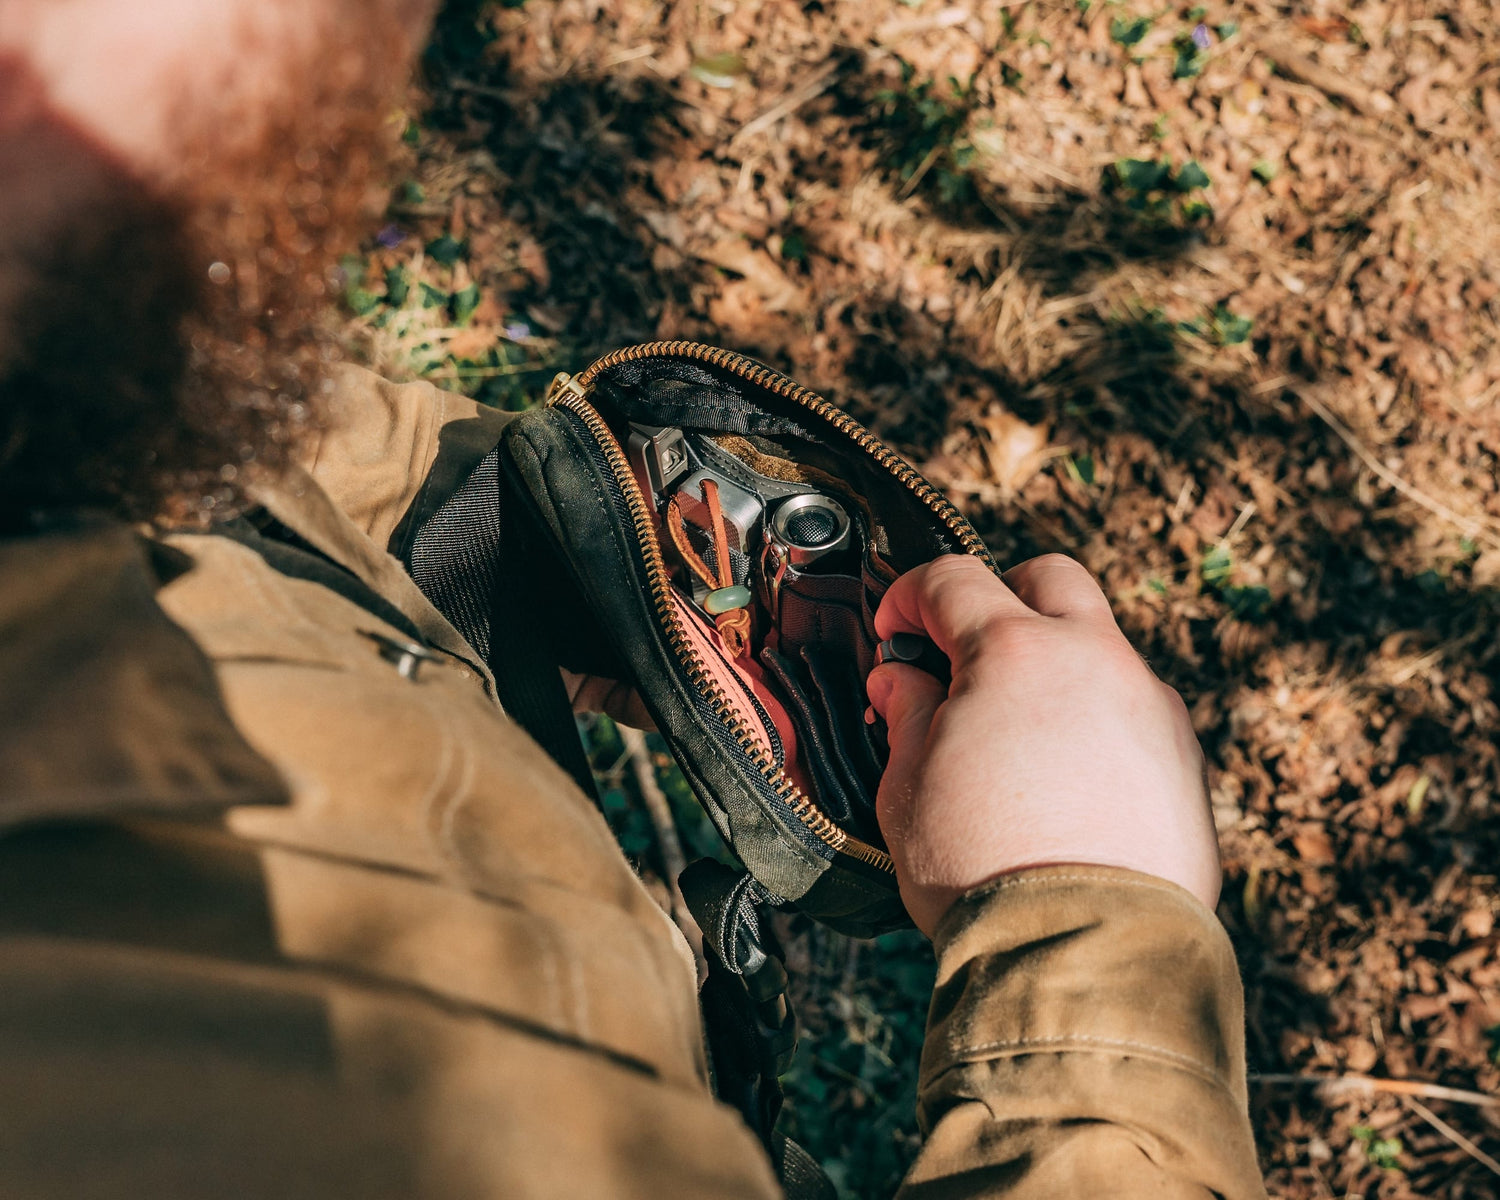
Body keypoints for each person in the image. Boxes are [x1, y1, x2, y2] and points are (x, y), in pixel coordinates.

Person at [0, 1, 1267, 1196]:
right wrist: (1087, 916)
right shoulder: (244, 1097)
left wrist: (500, 531)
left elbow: (193, 459)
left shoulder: (53, 327)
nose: (386, 31)